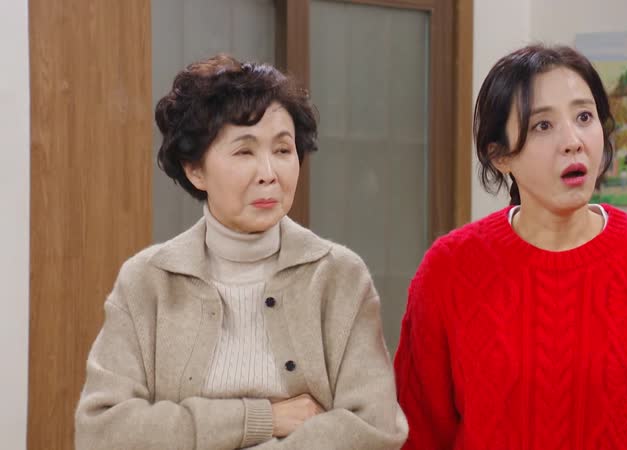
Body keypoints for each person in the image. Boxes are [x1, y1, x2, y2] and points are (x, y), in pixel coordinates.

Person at [394, 44, 627, 449]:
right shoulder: (449, 268)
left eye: (584, 117)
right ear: (499, 155)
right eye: (543, 125)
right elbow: (417, 433)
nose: (573, 141)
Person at [75, 54, 407, 450]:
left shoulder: (339, 277)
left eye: (282, 150)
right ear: (195, 169)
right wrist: (262, 418)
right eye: (244, 152)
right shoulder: (147, 282)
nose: (268, 173)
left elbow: (375, 426)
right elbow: (102, 431)